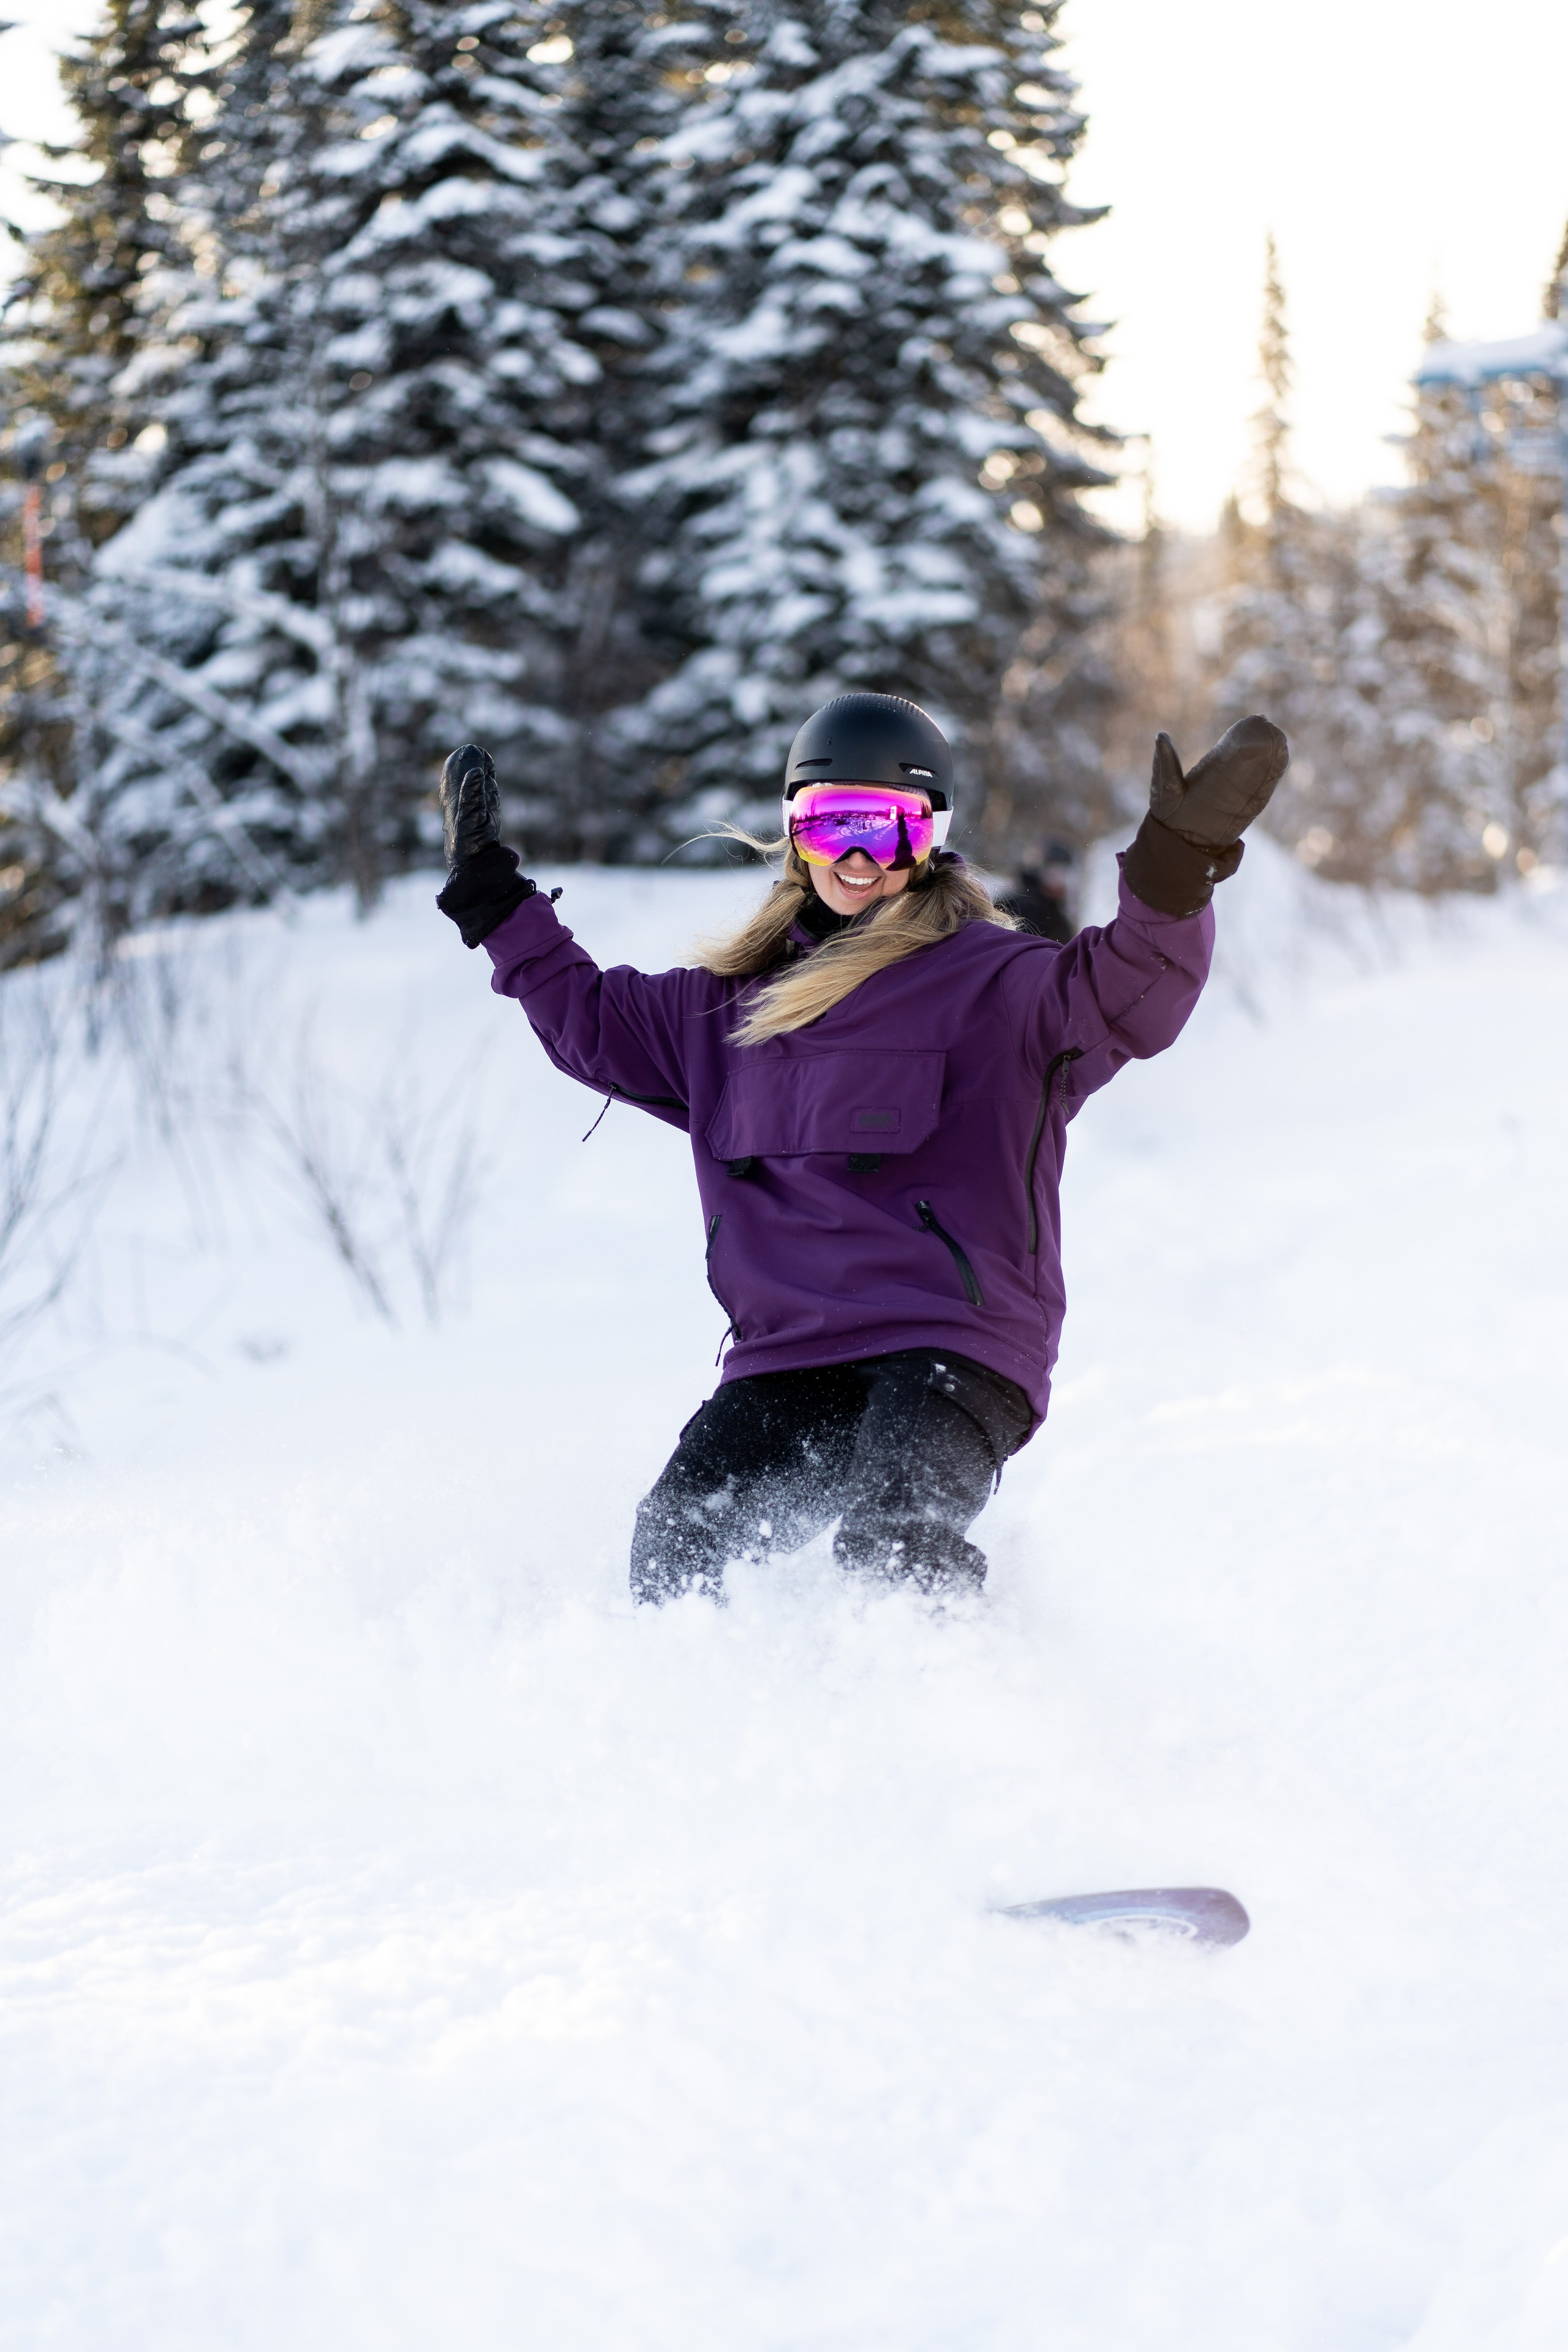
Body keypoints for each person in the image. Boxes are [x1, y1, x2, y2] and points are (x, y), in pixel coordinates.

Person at [435, 693, 1287, 1603]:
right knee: (675, 1549)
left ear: (927, 839)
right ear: (796, 831)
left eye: (880, 829)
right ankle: (715, 1730)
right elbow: (589, 1021)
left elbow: (1130, 993)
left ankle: (952, 1716)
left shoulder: (999, 988)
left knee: (896, 1544)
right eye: (828, 822)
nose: (851, 855)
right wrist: (497, 901)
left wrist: (1174, 867)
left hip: (948, 1342)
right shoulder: (726, 1010)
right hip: (790, 1353)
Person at [996, 839, 1079, 942]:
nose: (1059, 880)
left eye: (1065, 873)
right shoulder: (1026, 907)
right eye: (1054, 872)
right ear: (1039, 871)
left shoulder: (1055, 910)